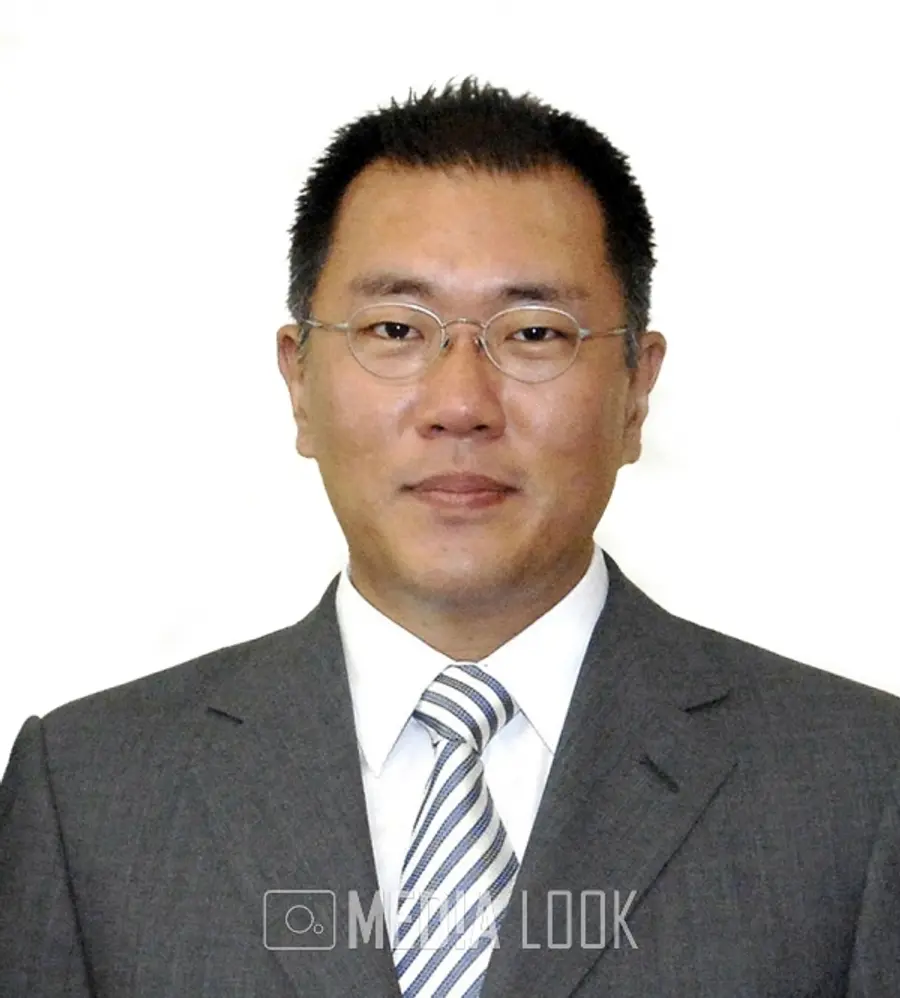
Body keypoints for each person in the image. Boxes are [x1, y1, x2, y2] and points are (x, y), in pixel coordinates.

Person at [1, 79, 898, 998]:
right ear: (299, 383)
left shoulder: (862, 786)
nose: (461, 404)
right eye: (396, 329)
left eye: (535, 333)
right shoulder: (88, 793)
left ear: (636, 390)